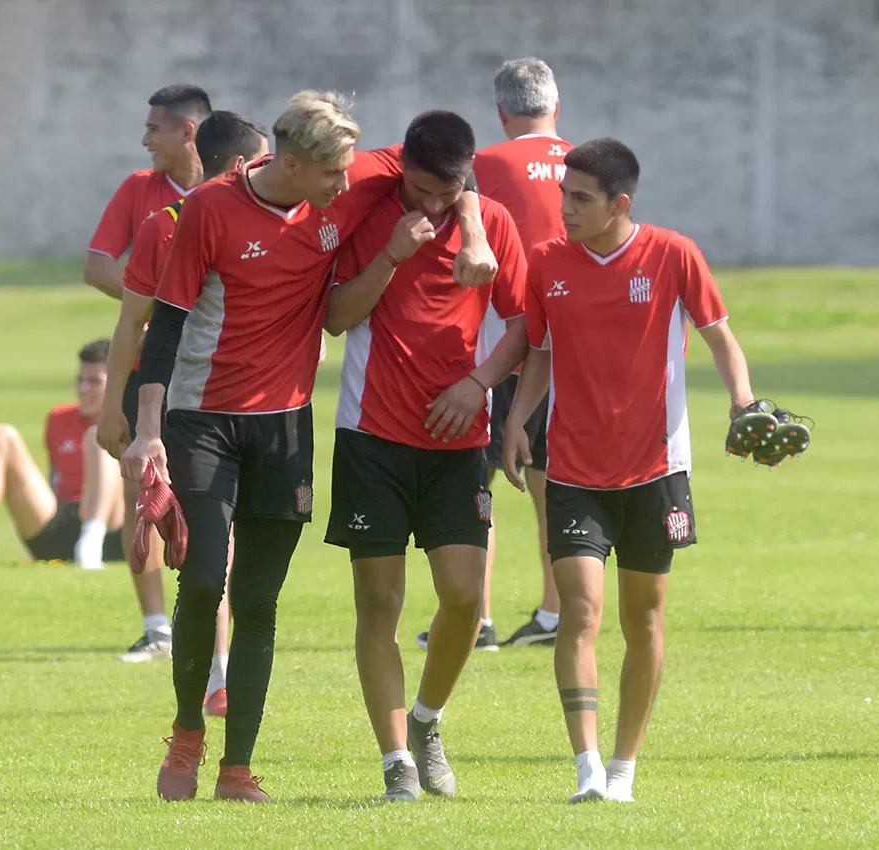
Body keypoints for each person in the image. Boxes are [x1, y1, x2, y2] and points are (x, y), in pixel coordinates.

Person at [123, 90, 499, 803]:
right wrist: (148, 431)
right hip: (202, 419)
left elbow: (453, 164)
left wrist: (474, 226)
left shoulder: (348, 185)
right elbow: (167, 323)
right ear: (289, 164)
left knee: (260, 599)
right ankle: (185, 732)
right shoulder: (210, 209)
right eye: (333, 175)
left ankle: (238, 771)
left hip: (286, 426)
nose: (346, 185)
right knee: (204, 580)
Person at [501, 138, 762, 803]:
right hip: (574, 472)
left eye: (581, 198)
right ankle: (587, 768)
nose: (565, 208)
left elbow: (720, 338)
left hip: (657, 472)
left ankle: (624, 768)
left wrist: (742, 402)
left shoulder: (673, 254)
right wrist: (514, 421)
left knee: (643, 620)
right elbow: (539, 351)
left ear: (620, 203)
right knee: (581, 611)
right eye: (563, 194)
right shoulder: (547, 262)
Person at [323, 110, 530, 802]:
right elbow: (337, 316)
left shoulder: (491, 222)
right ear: (401, 169)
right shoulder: (372, 213)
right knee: (379, 602)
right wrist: (390, 255)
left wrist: (479, 386)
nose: (432, 205)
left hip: (459, 441)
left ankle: (427, 721)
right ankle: (395, 764)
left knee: (465, 598)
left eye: (447, 193)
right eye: (419, 189)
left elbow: (527, 324)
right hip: (371, 437)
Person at [98, 113, 270, 695]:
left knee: (213, 535)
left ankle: (215, 669)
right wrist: (112, 408)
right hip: (173, 401)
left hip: (235, 402)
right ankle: (182, 647)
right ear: (243, 164)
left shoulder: (270, 224)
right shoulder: (167, 223)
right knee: (179, 526)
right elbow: (133, 326)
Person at [416, 57, 572, 653]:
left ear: (502, 112)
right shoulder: (589, 165)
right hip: (569, 343)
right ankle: (556, 614)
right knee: (552, 481)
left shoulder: (482, 167)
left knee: (475, 478)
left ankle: (474, 617)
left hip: (500, 337)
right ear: (556, 106)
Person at [0, 340, 124, 569]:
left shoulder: (133, 421)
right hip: (60, 523)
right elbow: (54, 478)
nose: (82, 389)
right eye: (79, 380)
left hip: (115, 530)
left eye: (94, 382)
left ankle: (90, 544)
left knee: (97, 437)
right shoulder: (59, 419)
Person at [85, 85, 211, 299]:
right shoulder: (138, 186)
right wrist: (156, 311)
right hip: (157, 331)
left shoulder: (226, 189)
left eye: (153, 129)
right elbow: (97, 269)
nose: (145, 140)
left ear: (186, 132)